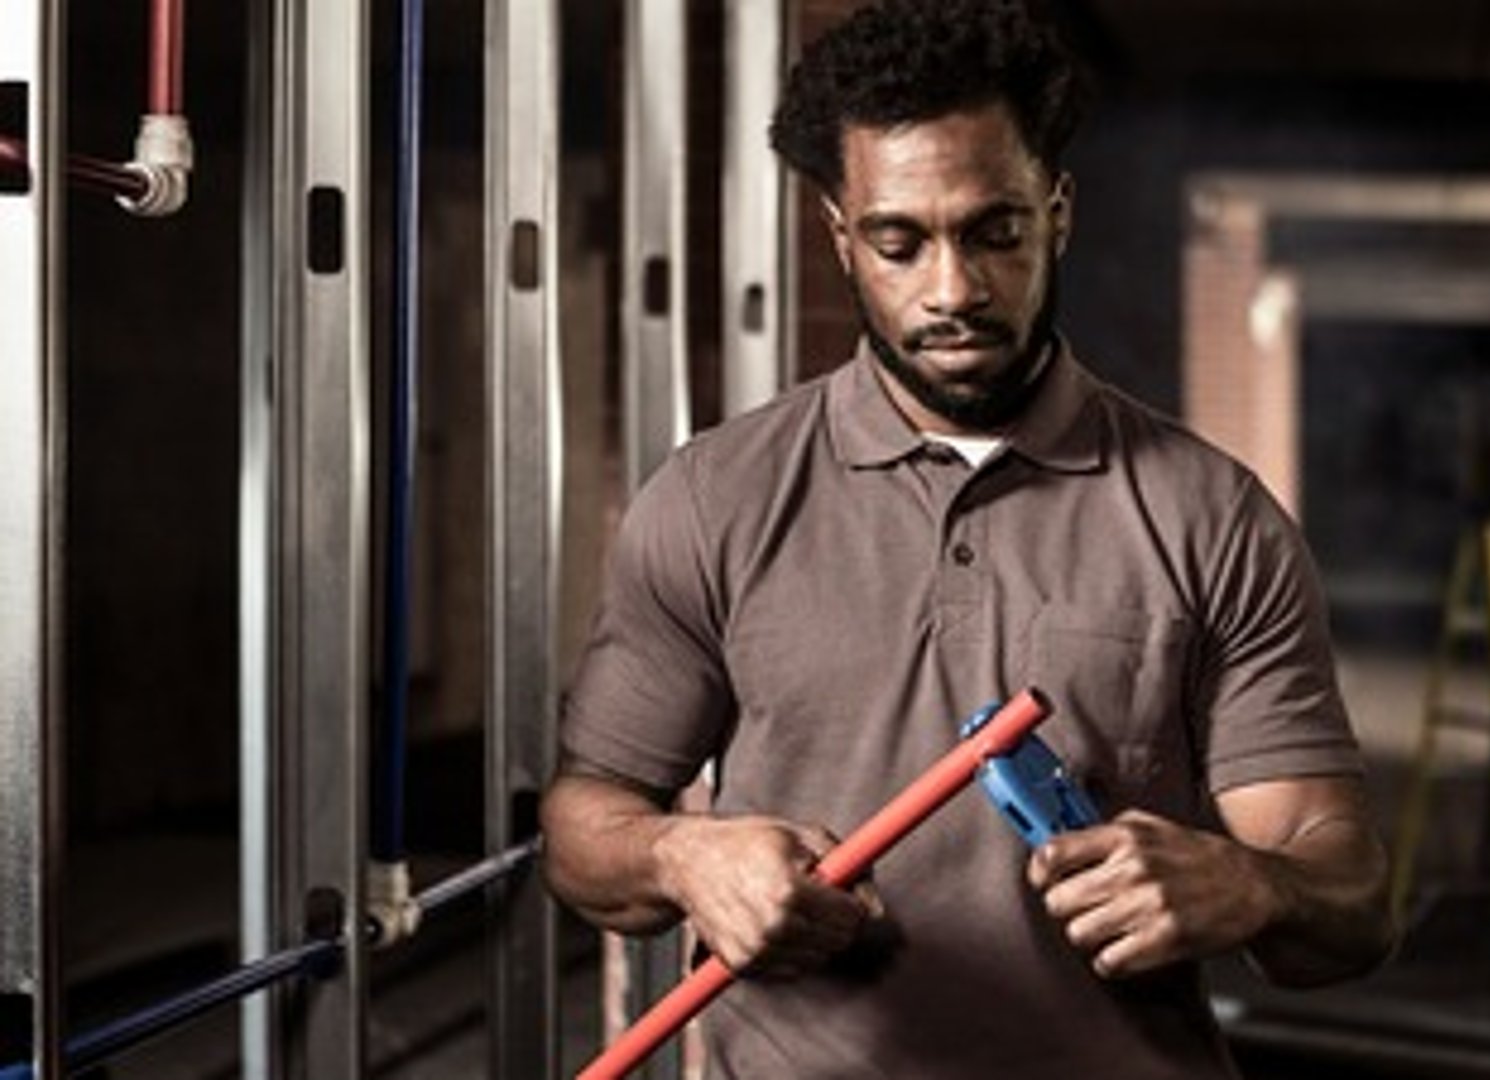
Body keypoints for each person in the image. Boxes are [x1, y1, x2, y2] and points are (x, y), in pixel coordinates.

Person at [541, 1, 1394, 1075]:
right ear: (840, 237)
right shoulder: (714, 499)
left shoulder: (1213, 519)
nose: (954, 290)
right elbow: (582, 829)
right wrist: (680, 855)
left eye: (996, 231)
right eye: (901, 242)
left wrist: (1257, 886)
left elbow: (1352, 904)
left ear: (1059, 215)